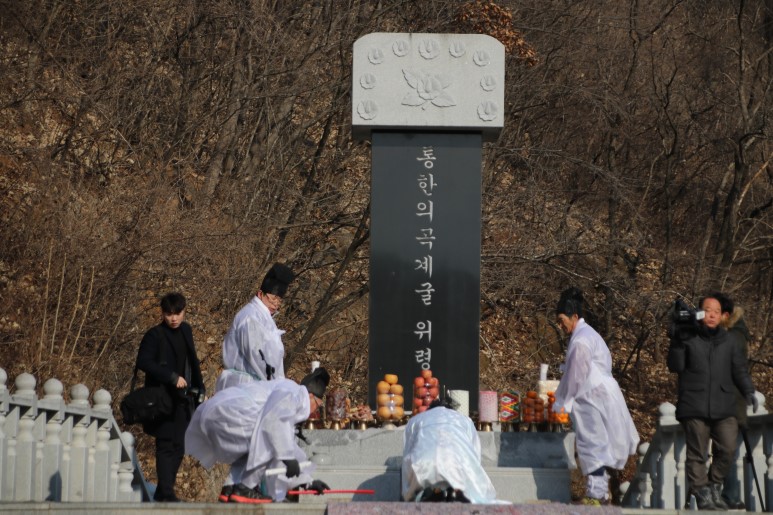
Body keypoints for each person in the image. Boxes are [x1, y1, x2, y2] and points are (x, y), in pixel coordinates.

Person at [185, 367, 331, 503]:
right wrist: (287, 458)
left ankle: (230, 488)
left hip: (217, 413)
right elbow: (273, 425)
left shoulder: (286, 389)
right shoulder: (296, 395)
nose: (314, 411)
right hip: (233, 414)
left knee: (250, 449)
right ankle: (244, 489)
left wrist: (306, 481)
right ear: (311, 396)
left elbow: (287, 441)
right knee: (266, 436)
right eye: (317, 406)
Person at [667, 292, 757, 511]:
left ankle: (714, 485)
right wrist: (677, 340)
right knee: (697, 453)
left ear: (722, 316)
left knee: (727, 448)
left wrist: (749, 391)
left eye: (717, 311)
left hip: (724, 405)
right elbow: (675, 366)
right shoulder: (688, 337)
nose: (713, 315)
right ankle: (701, 492)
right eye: (708, 310)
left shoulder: (729, 340)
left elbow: (739, 370)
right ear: (699, 313)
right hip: (694, 404)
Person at [552, 287, 639, 506]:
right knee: (596, 444)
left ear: (574, 317)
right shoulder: (587, 334)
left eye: (562, 320)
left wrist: (564, 400)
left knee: (592, 444)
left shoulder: (581, 340)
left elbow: (576, 374)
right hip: (598, 394)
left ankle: (597, 492)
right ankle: (599, 491)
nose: (560, 325)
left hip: (591, 396)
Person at [136, 292, 205, 502]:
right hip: (161, 399)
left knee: (180, 445)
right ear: (162, 313)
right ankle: (166, 492)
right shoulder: (154, 335)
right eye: (169, 314)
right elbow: (144, 362)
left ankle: (163, 491)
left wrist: (200, 389)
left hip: (183, 399)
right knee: (165, 444)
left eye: (177, 313)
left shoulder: (186, 330)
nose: (173, 318)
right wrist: (171, 377)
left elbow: (193, 361)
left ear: (184, 312)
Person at [402, 398, 501, 504]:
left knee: (416, 473)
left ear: (429, 410)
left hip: (423, 467)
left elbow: (408, 451)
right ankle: (456, 492)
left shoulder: (416, 420)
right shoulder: (464, 419)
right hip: (459, 466)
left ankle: (430, 493)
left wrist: (408, 494)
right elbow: (475, 453)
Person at [215, 263, 295, 391]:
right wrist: (277, 386)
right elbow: (258, 356)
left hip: (255, 386)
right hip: (243, 387)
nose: (275, 304)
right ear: (260, 294)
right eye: (273, 298)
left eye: (279, 300)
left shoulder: (265, 319)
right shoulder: (251, 317)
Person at [720, 297, 752, 510]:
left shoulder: (735, 336)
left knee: (728, 451)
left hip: (730, 403)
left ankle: (730, 496)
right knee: (726, 451)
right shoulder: (733, 334)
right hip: (721, 401)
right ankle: (726, 495)